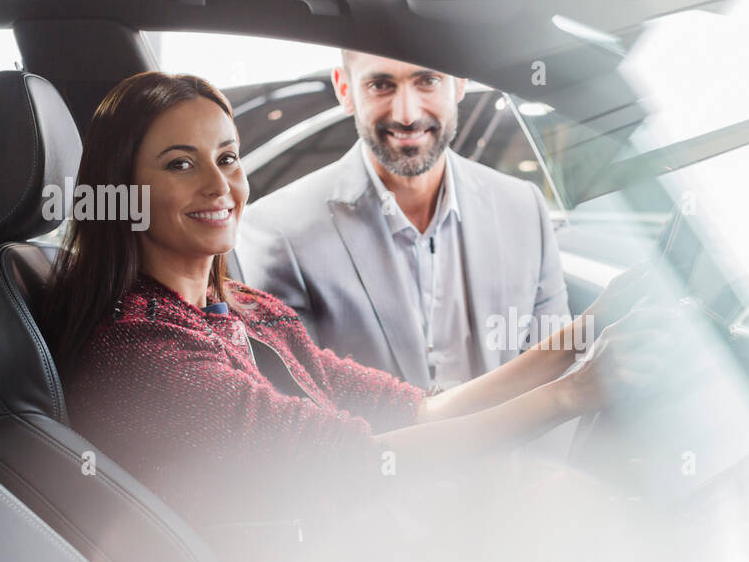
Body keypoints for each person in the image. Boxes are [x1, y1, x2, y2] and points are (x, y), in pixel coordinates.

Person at [41, 72, 662, 537]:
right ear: (123, 190)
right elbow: (364, 463)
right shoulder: (140, 347)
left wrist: (582, 335)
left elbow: (414, 414)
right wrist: (573, 394)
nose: (219, 184)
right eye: (182, 164)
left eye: (228, 157)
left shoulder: (247, 310)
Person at [236, 50, 569, 390]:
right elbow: (295, 407)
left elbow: (556, 367)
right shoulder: (277, 230)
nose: (407, 115)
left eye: (427, 81)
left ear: (460, 82)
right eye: (381, 85)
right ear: (345, 89)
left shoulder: (524, 207)